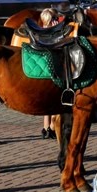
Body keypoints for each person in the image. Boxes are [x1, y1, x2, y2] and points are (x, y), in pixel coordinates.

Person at [39, 8, 58, 139]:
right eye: (55, 19)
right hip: (51, 69)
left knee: (47, 102)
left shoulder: (40, 32)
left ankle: (46, 127)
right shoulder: (50, 34)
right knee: (54, 100)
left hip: (43, 69)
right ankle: (51, 126)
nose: (56, 21)